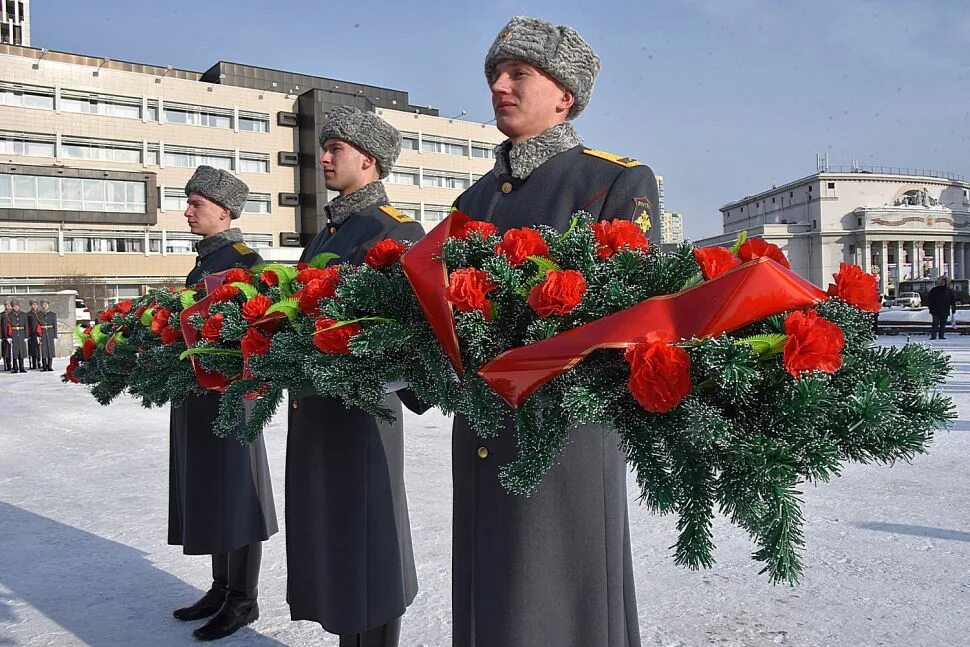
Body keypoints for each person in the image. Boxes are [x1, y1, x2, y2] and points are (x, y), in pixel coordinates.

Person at [448, 17, 661, 647]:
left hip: (565, 432)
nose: (500, 87)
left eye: (519, 74)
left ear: (565, 95)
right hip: (483, 424)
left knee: (559, 596)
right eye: (495, 75)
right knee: (490, 587)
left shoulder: (614, 181)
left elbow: (632, 311)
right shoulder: (473, 199)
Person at [286, 106, 424, 647]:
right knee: (334, 536)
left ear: (368, 159)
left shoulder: (394, 230)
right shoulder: (327, 234)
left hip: (362, 412)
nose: (323, 157)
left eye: (335, 148)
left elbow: (408, 333)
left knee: (365, 537)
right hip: (317, 406)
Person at [168, 166, 278, 641]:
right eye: (188, 202)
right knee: (212, 487)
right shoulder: (205, 261)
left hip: (233, 394)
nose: (187, 211)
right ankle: (221, 586)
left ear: (226, 210)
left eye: (196, 204)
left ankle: (243, 598)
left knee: (237, 489)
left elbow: (259, 330)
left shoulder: (243, 260)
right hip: (200, 392)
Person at [7, 300, 29, 374]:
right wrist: (8, 336)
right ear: (12, 307)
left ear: (19, 306)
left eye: (17, 306)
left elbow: (26, 325)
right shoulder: (9, 315)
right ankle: (15, 367)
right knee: (14, 351)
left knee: (21, 351)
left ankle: (22, 367)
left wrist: (26, 336)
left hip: (22, 333)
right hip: (13, 334)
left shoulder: (23, 314)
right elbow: (7, 326)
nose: (16, 307)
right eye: (14, 306)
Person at [36, 299, 57, 372]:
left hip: (50, 333)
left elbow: (55, 325)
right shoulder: (38, 314)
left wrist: (55, 335)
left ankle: (50, 365)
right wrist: (38, 335)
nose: (45, 306)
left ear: (48, 305)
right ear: (42, 305)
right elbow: (37, 325)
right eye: (43, 304)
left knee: (50, 350)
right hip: (43, 333)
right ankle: (44, 365)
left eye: (46, 304)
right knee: (44, 350)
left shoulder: (52, 314)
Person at [26, 300, 40, 370]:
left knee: (40, 350)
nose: (34, 306)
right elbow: (27, 325)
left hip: (40, 334)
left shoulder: (40, 313)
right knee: (33, 350)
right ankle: (34, 363)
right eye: (33, 305)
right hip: (32, 334)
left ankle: (40, 363)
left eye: (36, 304)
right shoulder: (28, 314)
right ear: (31, 305)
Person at [1, 301, 11, 372]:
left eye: (9, 305)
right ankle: (7, 365)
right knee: (6, 352)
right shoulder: (1, 315)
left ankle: (13, 365)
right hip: (5, 335)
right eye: (6, 305)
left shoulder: (13, 314)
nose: (8, 306)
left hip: (13, 335)